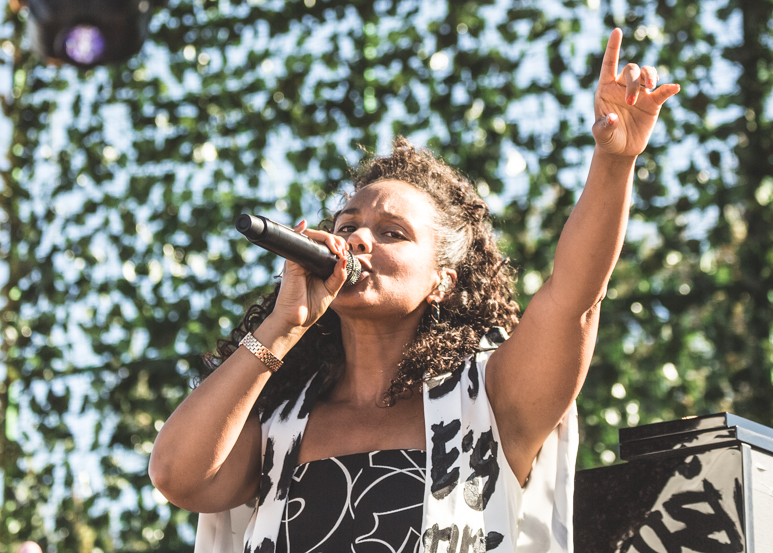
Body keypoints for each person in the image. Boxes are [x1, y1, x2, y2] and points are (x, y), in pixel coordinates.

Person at [148, 29, 679, 553]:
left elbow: (574, 298)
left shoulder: (487, 402)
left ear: (442, 280)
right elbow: (177, 474)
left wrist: (615, 160)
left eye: (391, 233)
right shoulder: (282, 425)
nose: (357, 238)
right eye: (347, 224)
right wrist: (282, 328)